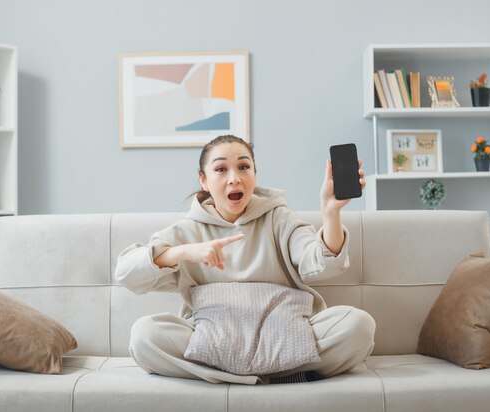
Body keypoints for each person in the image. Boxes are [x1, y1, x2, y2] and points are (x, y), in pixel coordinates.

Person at [114, 135, 375, 385]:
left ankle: (228, 378)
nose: (234, 178)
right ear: (203, 180)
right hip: (213, 341)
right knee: (144, 336)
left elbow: (323, 264)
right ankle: (283, 377)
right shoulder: (186, 231)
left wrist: (330, 212)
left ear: (254, 174)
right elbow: (125, 273)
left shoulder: (279, 218)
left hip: (287, 336)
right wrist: (183, 252)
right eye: (221, 170)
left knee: (359, 326)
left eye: (243, 167)